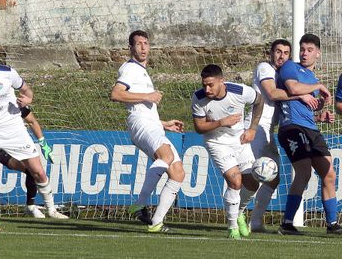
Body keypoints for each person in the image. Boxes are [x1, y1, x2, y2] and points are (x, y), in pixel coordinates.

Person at [0, 37, 68, 219]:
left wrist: (28, 99)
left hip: (15, 130)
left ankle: (51, 209)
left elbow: (27, 91)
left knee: (38, 171)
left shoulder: (8, 73)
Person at [110, 30, 185, 233]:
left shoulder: (142, 71)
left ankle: (156, 222)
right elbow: (116, 94)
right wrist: (148, 96)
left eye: (146, 43)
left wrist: (164, 124)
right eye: (138, 44)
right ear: (131, 48)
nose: (143, 47)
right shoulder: (129, 68)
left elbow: (144, 107)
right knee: (166, 155)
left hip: (151, 124)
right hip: (140, 124)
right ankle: (140, 203)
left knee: (178, 173)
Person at [245, 39, 319, 232]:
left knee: (273, 177)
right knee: (249, 177)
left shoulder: (283, 74)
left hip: (269, 130)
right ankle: (235, 216)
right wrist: (300, 94)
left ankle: (255, 222)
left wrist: (318, 116)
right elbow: (272, 94)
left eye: (286, 53)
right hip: (255, 126)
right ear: (271, 53)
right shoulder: (265, 68)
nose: (281, 56)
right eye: (278, 51)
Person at [276, 33, 342, 235]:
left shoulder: (312, 78)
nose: (304, 53)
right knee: (304, 172)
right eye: (302, 49)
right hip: (291, 128)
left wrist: (321, 115)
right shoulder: (291, 67)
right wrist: (319, 87)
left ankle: (332, 224)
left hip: (310, 128)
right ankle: (287, 223)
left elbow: (305, 108)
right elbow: (292, 88)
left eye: (310, 50)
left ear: (318, 54)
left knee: (329, 173)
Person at [191, 64, 264, 239]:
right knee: (235, 181)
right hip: (216, 142)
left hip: (239, 140)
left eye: (210, 84)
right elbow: (200, 127)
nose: (207, 89)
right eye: (204, 85)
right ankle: (232, 228)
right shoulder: (199, 97)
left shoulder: (239, 91)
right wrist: (221, 122)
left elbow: (259, 100)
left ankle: (238, 212)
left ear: (221, 81)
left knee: (254, 182)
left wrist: (252, 128)